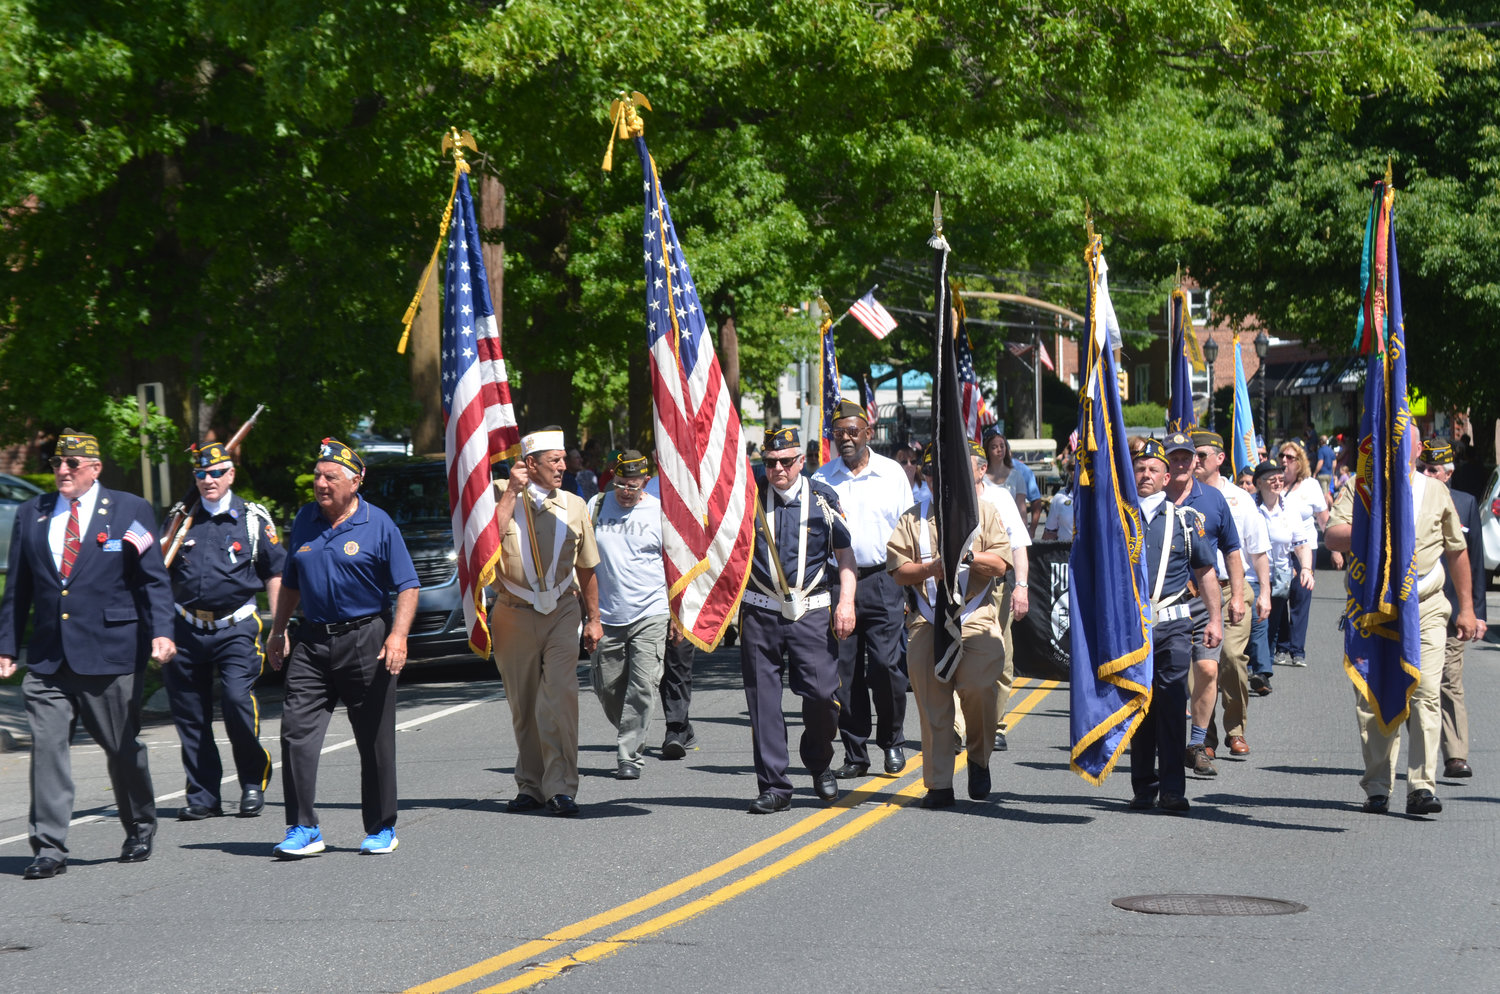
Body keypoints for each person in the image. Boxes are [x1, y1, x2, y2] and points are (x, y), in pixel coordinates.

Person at [0, 430, 176, 879]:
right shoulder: (32, 513)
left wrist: (161, 632)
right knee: (47, 748)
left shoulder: (128, 510)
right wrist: (6, 646)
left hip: (111, 652)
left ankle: (139, 823)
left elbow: (152, 579)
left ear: (94, 469)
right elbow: (17, 589)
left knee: (120, 747)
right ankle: (49, 848)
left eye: (72, 464)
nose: (62, 470)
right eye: (57, 462)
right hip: (48, 658)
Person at [266, 439, 419, 857]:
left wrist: (398, 636)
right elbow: (292, 582)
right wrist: (278, 631)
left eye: (330, 476)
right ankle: (303, 827)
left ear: (356, 481)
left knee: (373, 737)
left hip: (366, 638)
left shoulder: (378, 523)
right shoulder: (304, 520)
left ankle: (382, 827)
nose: (320, 483)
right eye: (317, 475)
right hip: (312, 640)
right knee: (296, 732)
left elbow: (407, 585)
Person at [1326, 427, 1479, 816]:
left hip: (1425, 606)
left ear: (1416, 448)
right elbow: (1332, 537)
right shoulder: (1362, 489)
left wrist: (1467, 608)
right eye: (1391, 439)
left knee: (1427, 689)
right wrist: (1373, 525)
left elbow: (1456, 550)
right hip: (1374, 609)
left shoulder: (1434, 490)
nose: (1398, 447)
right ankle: (1378, 786)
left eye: (1405, 440)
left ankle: (1422, 787)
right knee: (1375, 695)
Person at [887, 443, 1012, 808]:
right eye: (931, 474)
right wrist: (930, 569)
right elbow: (897, 571)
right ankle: (939, 783)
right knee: (933, 704)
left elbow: (1001, 564)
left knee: (978, 688)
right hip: (927, 620)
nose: (938, 480)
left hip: (974, 617)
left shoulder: (984, 513)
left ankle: (978, 756)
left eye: (945, 473)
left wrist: (968, 556)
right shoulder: (912, 518)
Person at [164, 441, 284, 821]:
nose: (209, 480)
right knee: (190, 714)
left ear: (230, 474)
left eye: (216, 472)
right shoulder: (180, 520)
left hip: (236, 627)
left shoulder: (251, 518)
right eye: (201, 474)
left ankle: (252, 781)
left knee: (235, 700)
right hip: (185, 626)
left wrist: (279, 628)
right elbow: (155, 571)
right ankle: (203, 795)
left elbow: (275, 572)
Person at [740, 426, 856, 813]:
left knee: (823, 695)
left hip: (811, 609)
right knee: (764, 701)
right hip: (761, 608)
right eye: (771, 463)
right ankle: (775, 786)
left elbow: (845, 556)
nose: (778, 470)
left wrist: (847, 604)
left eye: (786, 462)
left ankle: (819, 760)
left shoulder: (822, 498)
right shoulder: (749, 497)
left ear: (801, 461)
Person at [489, 427, 602, 817]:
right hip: (512, 613)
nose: (563, 466)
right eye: (554, 460)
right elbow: (484, 545)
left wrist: (594, 619)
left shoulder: (574, 505)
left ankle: (561, 787)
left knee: (559, 700)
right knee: (524, 704)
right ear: (530, 464)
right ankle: (531, 785)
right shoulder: (499, 495)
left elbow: (587, 567)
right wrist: (508, 494)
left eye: (563, 459)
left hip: (561, 611)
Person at [814, 399, 912, 778]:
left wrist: (911, 587)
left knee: (887, 667)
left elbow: (909, 531)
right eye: (839, 434)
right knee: (845, 672)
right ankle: (856, 753)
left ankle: (892, 741)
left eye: (853, 432)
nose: (846, 439)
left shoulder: (892, 474)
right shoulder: (821, 479)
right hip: (839, 583)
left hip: (886, 580)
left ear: (868, 433)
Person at [1127, 438, 1221, 813]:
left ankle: (1172, 790)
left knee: (1169, 704)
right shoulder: (1120, 520)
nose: (1146, 475)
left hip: (1173, 626)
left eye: (1153, 470)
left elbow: (1206, 571)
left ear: (1167, 478)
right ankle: (1142, 787)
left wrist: (1214, 617)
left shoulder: (1185, 521)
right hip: (1132, 629)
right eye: (1140, 469)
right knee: (1138, 705)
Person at [1162, 431, 1241, 778]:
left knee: (1208, 670)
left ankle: (1197, 745)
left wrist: (1236, 596)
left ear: (1196, 461)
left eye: (1185, 457)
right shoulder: (1150, 499)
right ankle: (1165, 741)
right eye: (1173, 457)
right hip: (1164, 604)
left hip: (1205, 601)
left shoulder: (1212, 500)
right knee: (1171, 679)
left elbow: (1232, 551)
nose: (1180, 463)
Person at [587, 450, 668, 780]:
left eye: (632, 486)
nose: (624, 491)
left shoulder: (660, 512)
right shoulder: (595, 506)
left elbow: (676, 564)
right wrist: (589, 616)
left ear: (645, 482)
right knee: (606, 687)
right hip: (607, 614)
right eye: (619, 483)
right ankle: (633, 729)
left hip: (651, 611)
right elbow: (583, 561)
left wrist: (677, 615)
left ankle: (629, 756)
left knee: (643, 686)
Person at [1193, 430, 1270, 759]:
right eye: (1190, 455)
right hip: (1194, 593)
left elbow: (1258, 550)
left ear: (1220, 459)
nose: (1195, 461)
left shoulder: (1240, 499)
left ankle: (1235, 729)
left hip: (1233, 589)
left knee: (1233, 660)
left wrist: (1264, 592)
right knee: (1201, 667)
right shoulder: (1184, 497)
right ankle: (1205, 733)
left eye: (1202, 455)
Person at [1416, 439, 1489, 779]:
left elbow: (1473, 562)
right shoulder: (1412, 499)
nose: (1428, 475)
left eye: (1434, 470)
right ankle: (1421, 748)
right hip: (1417, 602)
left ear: (1448, 473)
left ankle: (1455, 755)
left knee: (1449, 681)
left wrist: (1476, 612)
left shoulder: (1465, 503)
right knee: (1418, 683)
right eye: (1424, 468)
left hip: (1453, 607)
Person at [974, 447, 1031, 752]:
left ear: (981, 470)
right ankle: (959, 726)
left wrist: (1020, 587)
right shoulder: (943, 496)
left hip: (995, 587)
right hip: (954, 586)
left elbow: (1018, 545)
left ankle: (995, 724)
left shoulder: (1000, 497)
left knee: (1000, 658)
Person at [1252, 459, 1313, 698]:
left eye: (1280, 476)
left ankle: (1262, 673)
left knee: (1271, 624)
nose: (1277, 481)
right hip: (1251, 574)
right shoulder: (1250, 506)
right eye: (1271, 477)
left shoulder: (1289, 510)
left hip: (1279, 576)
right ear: (1259, 483)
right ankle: (1253, 667)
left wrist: (1306, 568)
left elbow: (1301, 543)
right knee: (1256, 622)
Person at [1275, 440, 1327, 666]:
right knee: (1279, 595)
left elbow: (1323, 518)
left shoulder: (1311, 486)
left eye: (1290, 457)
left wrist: (1335, 550)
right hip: (1280, 550)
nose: (1284, 461)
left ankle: (1297, 650)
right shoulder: (1274, 483)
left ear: (1300, 462)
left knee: (1300, 597)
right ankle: (1282, 646)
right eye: (1282, 457)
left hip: (1305, 549)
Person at [982, 428, 1042, 533]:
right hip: (987, 529)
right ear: (987, 450)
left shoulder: (1016, 476)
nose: (999, 449)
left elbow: (1021, 508)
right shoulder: (981, 476)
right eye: (994, 447)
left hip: (1010, 530)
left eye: (1002, 446)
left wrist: (1024, 532)